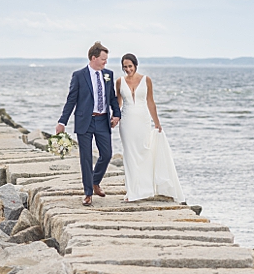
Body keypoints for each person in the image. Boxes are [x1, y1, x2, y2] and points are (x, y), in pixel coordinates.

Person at [56, 41, 121, 206]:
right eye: (103, 59)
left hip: (103, 120)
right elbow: (71, 100)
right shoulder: (79, 75)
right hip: (85, 120)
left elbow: (112, 97)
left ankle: (95, 181)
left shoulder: (108, 74)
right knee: (85, 158)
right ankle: (87, 193)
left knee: (106, 154)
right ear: (93, 58)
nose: (105, 62)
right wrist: (62, 122)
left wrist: (117, 114)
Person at [115, 53, 185, 203]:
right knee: (129, 154)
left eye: (130, 66)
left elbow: (151, 102)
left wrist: (157, 122)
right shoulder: (119, 82)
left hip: (143, 120)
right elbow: (118, 104)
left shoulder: (146, 80)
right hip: (126, 121)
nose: (128, 69)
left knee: (144, 151)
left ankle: (145, 189)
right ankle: (132, 191)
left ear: (135, 65)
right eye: (125, 67)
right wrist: (114, 118)